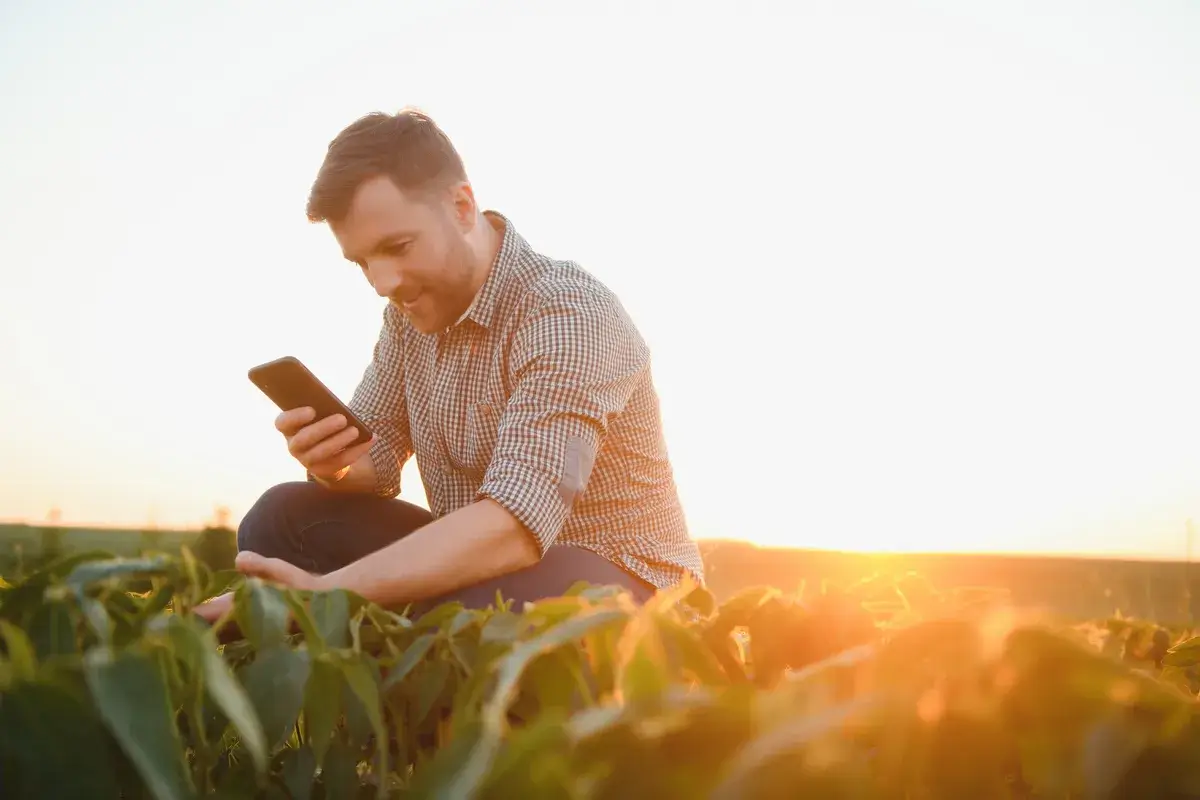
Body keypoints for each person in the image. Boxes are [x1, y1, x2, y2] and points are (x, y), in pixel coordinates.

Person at [196, 109, 704, 622]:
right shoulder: (406, 319)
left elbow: (517, 525)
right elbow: (377, 460)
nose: (382, 282)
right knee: (283, 517)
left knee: (468, 612)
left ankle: (376, 632)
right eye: (362, 262)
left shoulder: (567, 311)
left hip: (628, 582)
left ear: (462, 207)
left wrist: (328, 593)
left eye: (396, 247)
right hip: (491, 571)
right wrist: (336, 464)